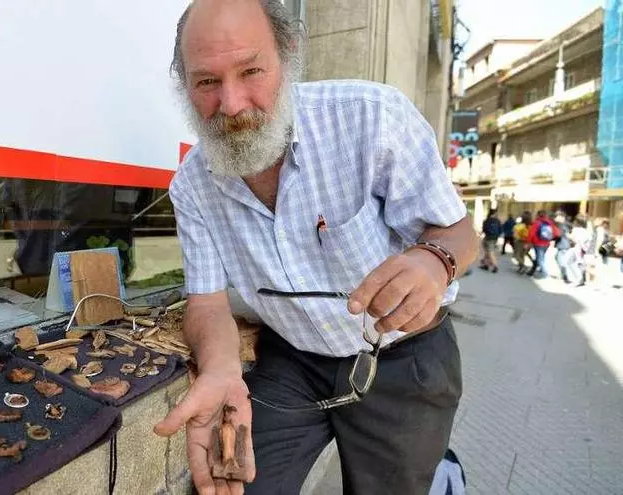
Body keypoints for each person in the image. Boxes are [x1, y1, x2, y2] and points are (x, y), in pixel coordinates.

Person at [153, 2, 480, 494]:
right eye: (207, 82)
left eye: (251, 71)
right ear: (185, 87)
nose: (232, 104)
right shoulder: (192, 185)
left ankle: (439, 468)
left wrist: (435, 262)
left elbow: (459, 233)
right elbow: (207, 302)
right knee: (235, 484)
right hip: (294, 358)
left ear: (287, 57)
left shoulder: (372, 118)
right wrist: (220, 370)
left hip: (402, 356)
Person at [526, 210, 558, 279]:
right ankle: (536, 270)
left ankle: (544, 273)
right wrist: (549, 238)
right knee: (541, 257)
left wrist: (528, 242)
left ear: (538, 215)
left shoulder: (537, 223)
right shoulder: (550, 223)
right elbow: (556, 233)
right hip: (546, 243)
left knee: (540, 259)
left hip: (538, 243)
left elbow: (531, 233)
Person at [553, 213, 574, 283]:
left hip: (563, 245)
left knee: (560, 261)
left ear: (561, 217)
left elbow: (559, 235)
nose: (555, 218)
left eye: (557, 217)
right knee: (558, 258)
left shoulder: (561, 225)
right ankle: (563, 275)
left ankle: (565, 276)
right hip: (565, 244)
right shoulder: (565, 224)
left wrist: (553, 236)